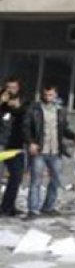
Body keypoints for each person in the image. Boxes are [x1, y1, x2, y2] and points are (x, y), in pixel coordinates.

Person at [23, 84, 75, 219]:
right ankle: (33, 210)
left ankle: (48, 207)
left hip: (55, 150)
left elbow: (64, 129)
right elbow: (26, 128)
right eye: (45, 94)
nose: (47, 97)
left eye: (50, 94)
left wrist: (74, 136)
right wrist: (31, 142)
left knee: (56, 180)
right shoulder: (34, 109)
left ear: (55, 95)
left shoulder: (59, 110)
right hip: (39, 150)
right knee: (36, 181)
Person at [0, 77, 28, 217]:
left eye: (13, 87)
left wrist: (15, 106)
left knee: (16, 177)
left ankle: (7, 207)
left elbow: (25, 115)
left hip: (15, 146)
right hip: (1, 144)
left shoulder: (23, 102)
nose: (10, 90)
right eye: (8, 87)